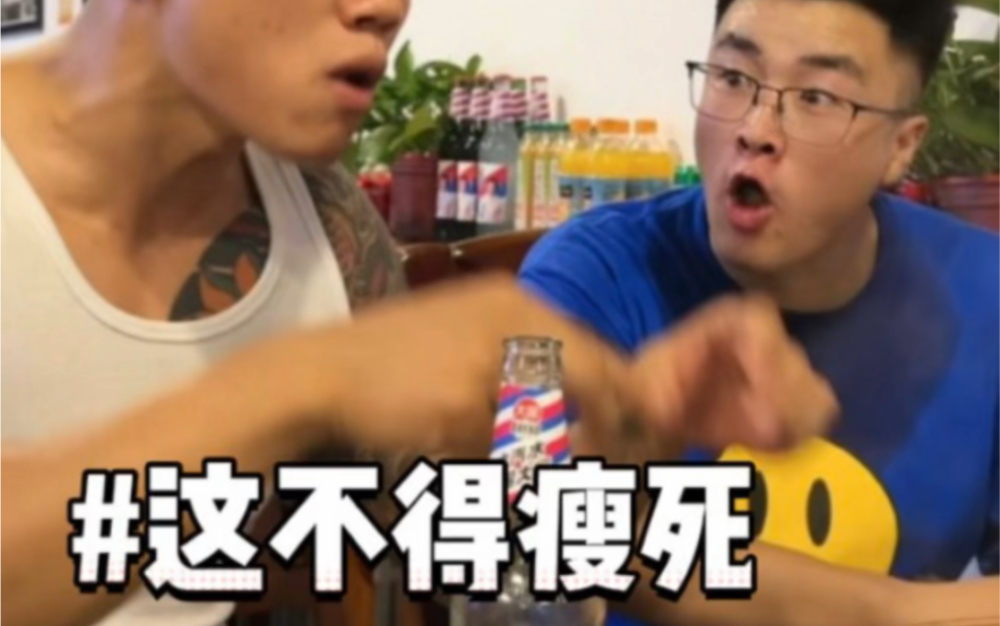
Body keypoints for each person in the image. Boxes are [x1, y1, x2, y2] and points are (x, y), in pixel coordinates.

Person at [0, 2, 842, 626]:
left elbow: (468, 530)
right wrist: (308, 383)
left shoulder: (326, 226)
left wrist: (619, 429)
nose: (385, 8)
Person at [519, 0, 1000, 625]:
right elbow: (530, 533)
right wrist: (900, 613)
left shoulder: (984, 292)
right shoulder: (591, 276)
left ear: (901, 146)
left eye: (817, 97)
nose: (756, 128)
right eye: (733, 77)